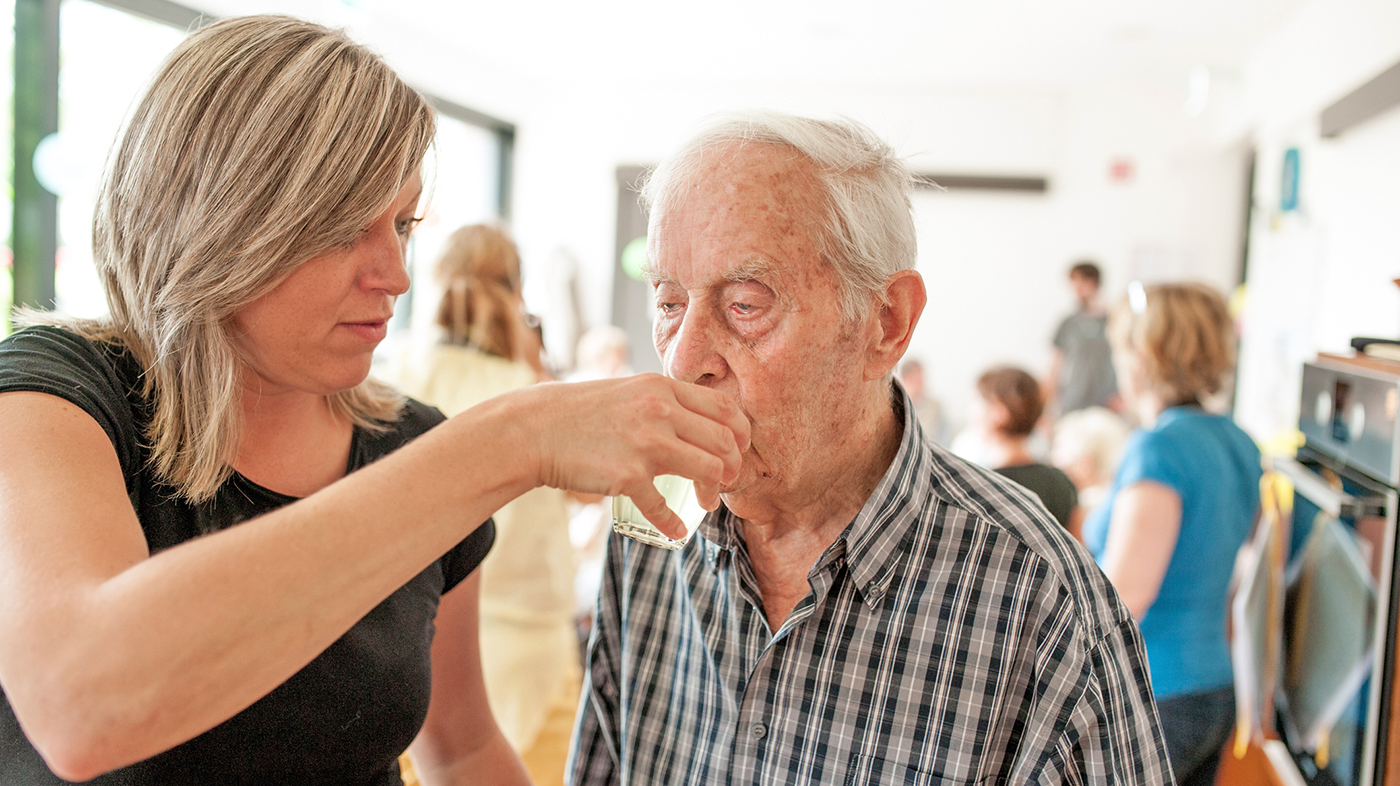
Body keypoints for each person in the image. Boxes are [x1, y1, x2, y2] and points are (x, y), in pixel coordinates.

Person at [0, 17, 747, 786]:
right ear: (216, 224)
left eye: (401, 225)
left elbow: (460, 748)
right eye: (343, 231)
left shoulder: (407, 442)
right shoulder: (55, 396)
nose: (395, 275)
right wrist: (509, 439)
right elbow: (79, 705)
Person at [568, 112, 1172, 786]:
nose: (684, 362)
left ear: (886, 324)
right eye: (669, 301)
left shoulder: (1041, 604)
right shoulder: (654, 515)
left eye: (745, 304)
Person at [386, 224, 575, 786]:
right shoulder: (538, 396)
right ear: (516, 291)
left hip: (405, 667)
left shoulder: (389, 385)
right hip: (532, 664)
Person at [1082, 282, 1260, 786]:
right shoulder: (1238, 441)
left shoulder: (1158, 449)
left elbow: (1123, 601)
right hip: (1215, 688)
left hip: (1158, 694)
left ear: (1142, 355)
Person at [968, 366, 1080, 534]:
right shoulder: (1061, 481)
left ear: (1000, 412)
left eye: (980, 402)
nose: (971, 411)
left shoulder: (983, 487)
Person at [1046, 261, 1120, 419]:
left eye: (1080, 284)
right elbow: (1053, 369)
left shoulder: (1116, 321)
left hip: (1109, 407)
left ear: (1094, 283)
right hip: (1073, 405)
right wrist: (1047, 413)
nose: (1076, 291)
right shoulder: (1068, 324)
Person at [1050, 405, 1131, 517]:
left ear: (1086, 464)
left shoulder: (1085, 506)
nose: (1053, 463)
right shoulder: (1122, 498)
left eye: (1059, 453)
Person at [896, 357, 948, 445]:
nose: (922, 384)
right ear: (906, 379)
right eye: (918, 380)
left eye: (922, 380)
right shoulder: (894, 406)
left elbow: (944, 440)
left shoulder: (935, 407)